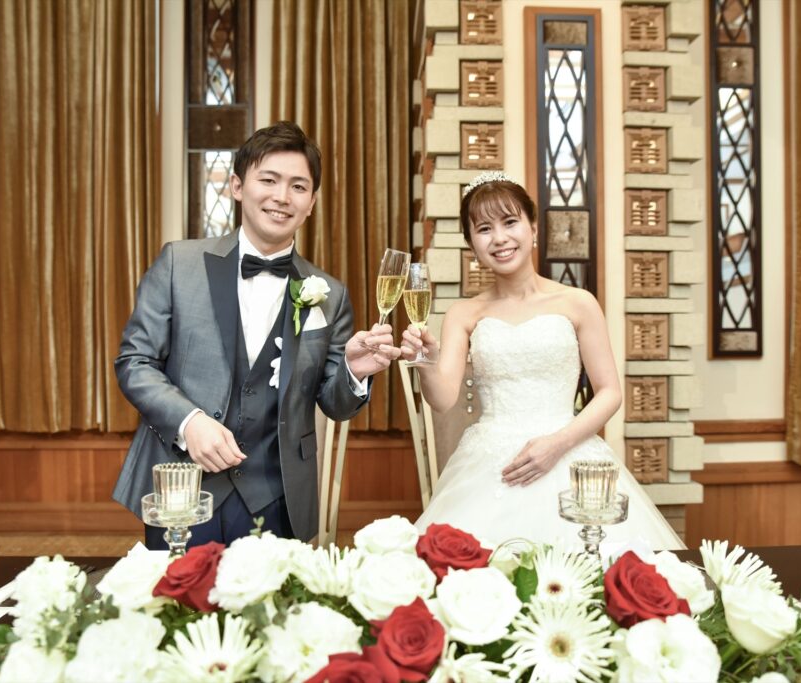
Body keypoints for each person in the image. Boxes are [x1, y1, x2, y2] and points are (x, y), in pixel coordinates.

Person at [113, 121, 400, 549]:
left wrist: (354, 372)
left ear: (312, 202)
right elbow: (135, 362)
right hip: (183, 487)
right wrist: (189, 423)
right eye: (268, 180)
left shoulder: (331, 294)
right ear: (237, 186)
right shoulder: (179, 264)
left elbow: (335, 404)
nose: (282, 196)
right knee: (179, 593)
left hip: (277, 495)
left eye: (298, 187)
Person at [401, 172, 683, 550]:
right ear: (471, 245)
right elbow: (442, 399)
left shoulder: (578, 302)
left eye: (510, 222)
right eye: (484, 229)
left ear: (533, 228)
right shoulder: (463, 314)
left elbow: (610, 392)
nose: (499, 238)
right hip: (490, 463)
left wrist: (556, 444)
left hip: (570, 451)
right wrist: (425, 362)